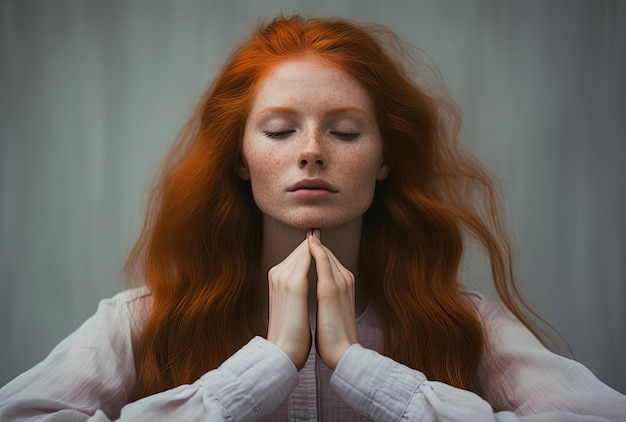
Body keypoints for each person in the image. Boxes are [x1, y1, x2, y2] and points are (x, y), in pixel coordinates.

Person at [1, 14, 624, 422]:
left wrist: (362, 369)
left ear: (384, 159)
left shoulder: (465, 323)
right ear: (242, 159)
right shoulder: (139, 321)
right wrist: (262, 369)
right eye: (278, 130)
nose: (311, 151)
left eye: (345, 131)